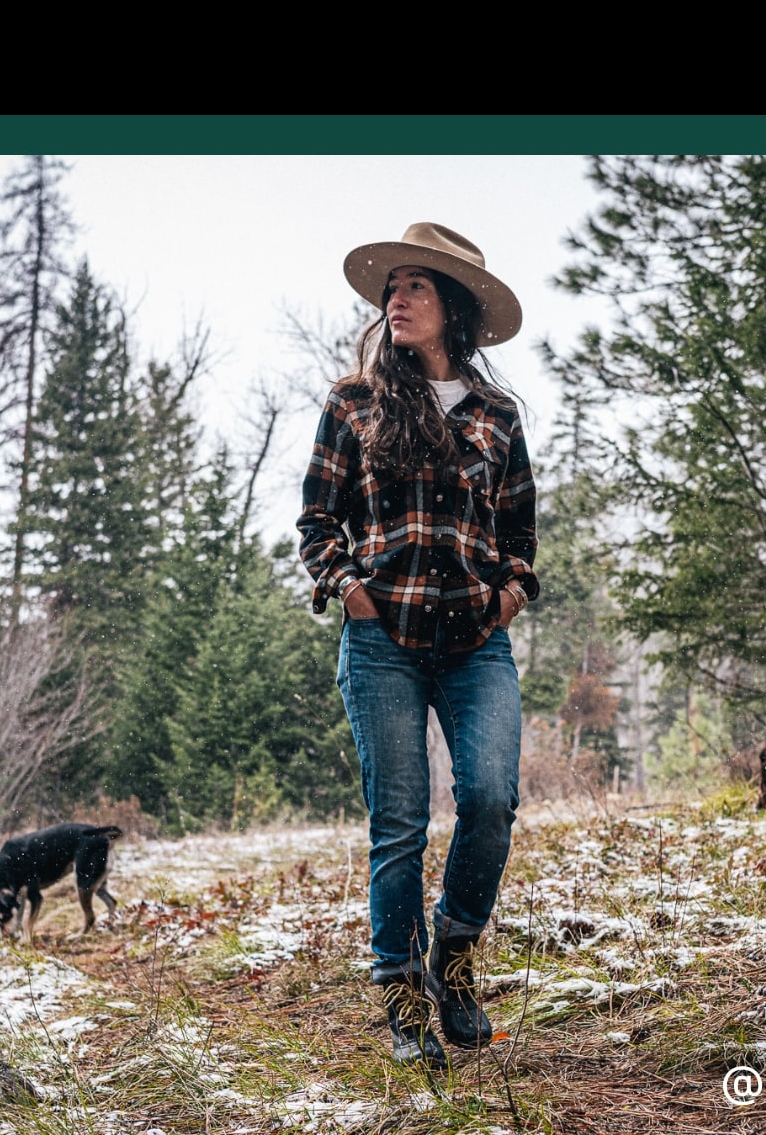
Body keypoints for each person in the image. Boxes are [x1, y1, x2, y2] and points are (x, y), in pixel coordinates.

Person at [296, 221, 538, 1070]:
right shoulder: (352, 403)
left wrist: (511, 591)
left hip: (475, 642)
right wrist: (350, 590)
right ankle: (402, 999)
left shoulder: (497, 414)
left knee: (492, 799)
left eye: (416, 288)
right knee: (398, 823)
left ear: (454, 308)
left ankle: (456, 963)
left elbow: (520, 531)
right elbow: (317, 521)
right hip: (382, 641)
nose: (395, 300)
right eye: (390, 287)